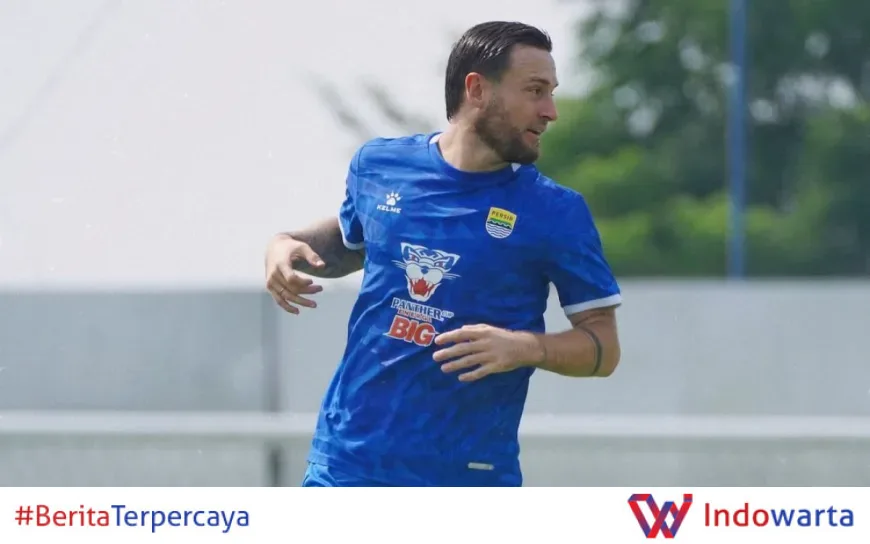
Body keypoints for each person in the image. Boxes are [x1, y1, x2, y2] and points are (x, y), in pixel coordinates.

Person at [264, 21, 622, 487]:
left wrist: (526, 348)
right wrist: (285, 244)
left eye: (551, 93)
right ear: (477, 89)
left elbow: (603, 349)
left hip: (467, 480)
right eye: (535, 91)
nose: (550, 111)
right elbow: (354, 243)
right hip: (346, 466)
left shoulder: (556, 211)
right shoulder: (379, 165)